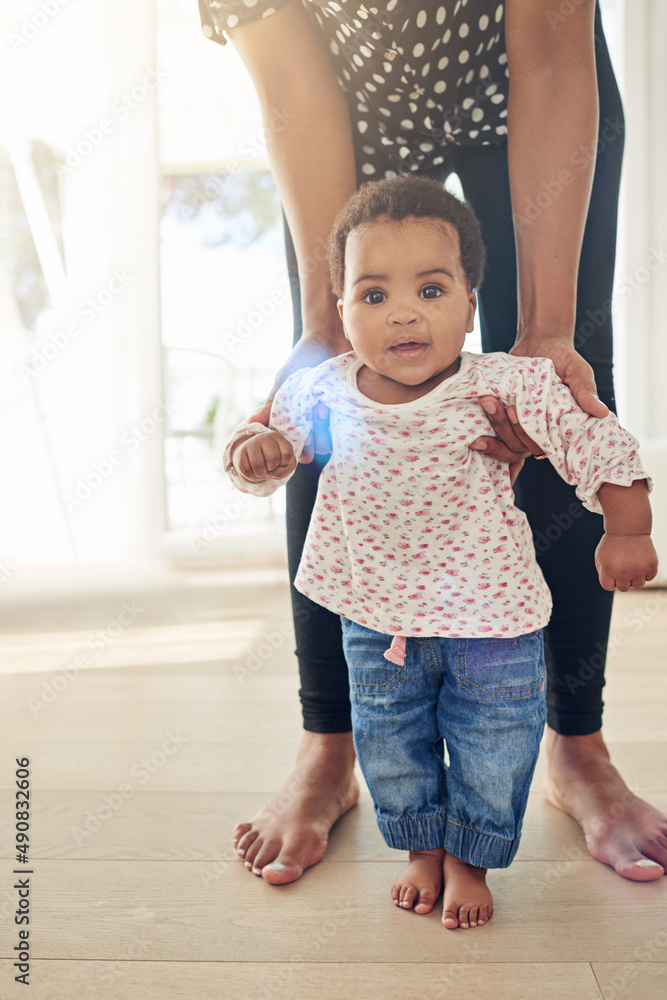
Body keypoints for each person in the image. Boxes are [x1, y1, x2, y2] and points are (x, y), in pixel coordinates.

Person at [198, 0, 667, 883]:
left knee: (556, 378)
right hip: (346, 91)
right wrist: (317, 328)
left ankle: (576, 746)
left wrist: (547, 330)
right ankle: (328, 744)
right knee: (330, 384)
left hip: (526, 78)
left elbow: (553, 57)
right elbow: (291, 80)